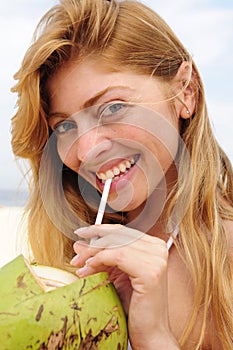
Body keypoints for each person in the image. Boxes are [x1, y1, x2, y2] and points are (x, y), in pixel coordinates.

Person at [11, 0, 233, 349]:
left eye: (113, 107)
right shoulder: (63, 254)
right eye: (65, 125)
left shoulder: (225, 257)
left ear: (184, 93)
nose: (86, 151)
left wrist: (154, 336)